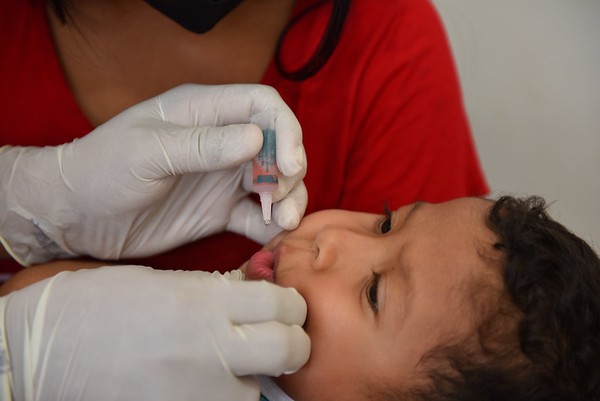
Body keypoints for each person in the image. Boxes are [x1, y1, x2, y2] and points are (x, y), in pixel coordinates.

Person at [0, 0, 489, 275]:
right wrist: (22, 209)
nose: (333, 239)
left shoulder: (386, 39)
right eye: (381, 228)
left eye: (383, 226)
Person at [4, 195, 599, 400]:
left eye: (374, 291)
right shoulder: (205, 330)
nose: (332, 238)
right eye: (386, 223)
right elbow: (31, 306)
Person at [0, 83, 312, 401]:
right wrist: (41, 206)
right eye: (363, 225)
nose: (329, 242)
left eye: (365, 292)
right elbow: (26, 291)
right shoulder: (176, 310)